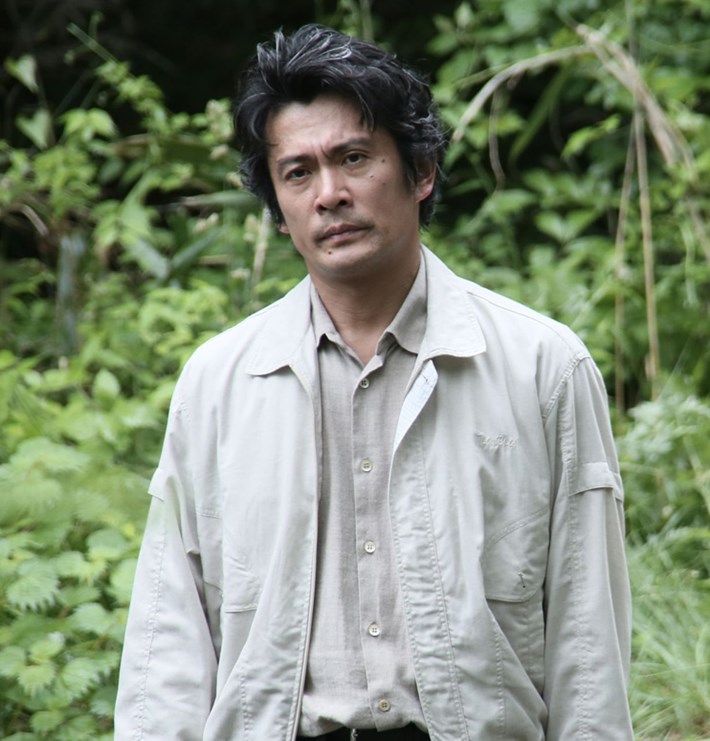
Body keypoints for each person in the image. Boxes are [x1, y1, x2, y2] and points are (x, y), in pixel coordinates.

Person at [114, 24, 632, 741]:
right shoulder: (219, 384)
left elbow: (587, 634)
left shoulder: (541, 367)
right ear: (278, 207)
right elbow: (169, 634)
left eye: (354, 158)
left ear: (421, 172)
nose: (329, 194)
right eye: (298, 173)